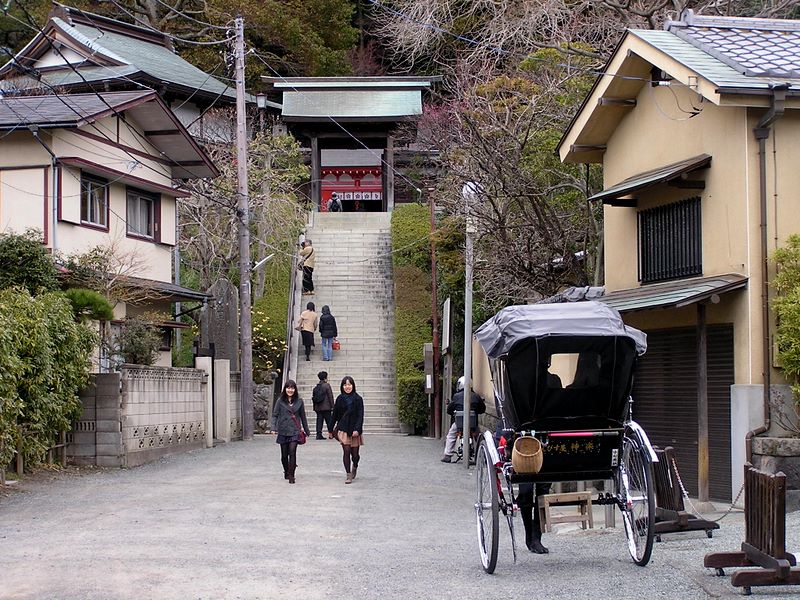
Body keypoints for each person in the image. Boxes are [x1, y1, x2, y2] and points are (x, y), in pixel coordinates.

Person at [270, 379, 310, 484]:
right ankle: (286, 471)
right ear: (285, 389)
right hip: (283, 430)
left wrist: (306, 430)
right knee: (284, 455)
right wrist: (273, 428)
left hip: (294, 431)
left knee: (292, 452)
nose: (290, 390)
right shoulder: (280, 401)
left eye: (292, 388)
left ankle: (292, 475)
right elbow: (275, 415)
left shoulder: (299, 401)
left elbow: (303, 416)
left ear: (295, 389)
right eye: (288, 388)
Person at [441, 375, 486, 463]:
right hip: (473, 423)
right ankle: (481, 455)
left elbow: (450, 409)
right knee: (478, 436)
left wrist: (451, 413)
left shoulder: (456, 396)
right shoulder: (476, 396)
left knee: (451, 435)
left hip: (459, 422)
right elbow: (482, 409)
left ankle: (448, 455)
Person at [331, 375, 364, 484]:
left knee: (355, 454)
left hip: (354, 428)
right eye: (345, 385)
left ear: (353, 386)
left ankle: (355, 465)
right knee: (346, 451)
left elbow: (360, 415)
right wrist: (330, 429)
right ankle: (348, 474)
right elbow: (334, 414)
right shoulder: (340, 398)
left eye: (349, 384)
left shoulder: (358, 399)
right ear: (342, 386)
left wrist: (357, 429)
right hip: (344, 427)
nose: (347, 387)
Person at [311, 370, 335, 439]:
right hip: (326, 407)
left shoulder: (316, 387)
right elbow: (330, 396)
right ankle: (331, 434)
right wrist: (332, 406)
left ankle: (318, 434)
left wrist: (314, 407)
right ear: (325, 378)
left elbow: (314, 398)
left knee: (319, 421)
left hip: (318, 407)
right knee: (329, 421)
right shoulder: (327, 385)